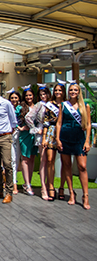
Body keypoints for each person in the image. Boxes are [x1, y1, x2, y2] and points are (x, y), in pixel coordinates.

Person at [56, 82, 91, 210]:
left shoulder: (84, 106)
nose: (73, 92)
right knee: (67, 166)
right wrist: (58, 139)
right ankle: (71, 192)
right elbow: (59, 123)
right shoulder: (63, 105)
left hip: (79, 139)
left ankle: (85, 195)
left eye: (75, 90)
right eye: (71, 90)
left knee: (82, 166)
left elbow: (88, 125)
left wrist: (87, 141)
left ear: (79, 92)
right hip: (65, 138)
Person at [26, 84, 51, 200]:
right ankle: (43, 188)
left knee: (50, 161)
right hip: (42, 134)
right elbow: (28, 117)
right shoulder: (39, 105)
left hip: (53, 132)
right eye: (40, 95)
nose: (43, 96)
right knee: (43, 160)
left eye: (44, 94)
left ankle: (50, 186)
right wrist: (35, 129)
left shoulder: (53, 104)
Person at [42, 81, 66, 200]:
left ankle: (62, 187)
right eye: (56, 90)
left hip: (64, 132)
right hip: (51, 132)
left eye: (60, 90)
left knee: (65, 162)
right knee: (50, 159)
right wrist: (44, 138)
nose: (58, 92)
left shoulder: (67, 104)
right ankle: (50, 186)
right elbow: (46, 121)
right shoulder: (49, 104)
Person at [19, 87, 38, 196]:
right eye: (26, 95)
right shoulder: (20, 107)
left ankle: (28, 183)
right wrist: (20, 127)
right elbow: (14, 119)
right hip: (25, 136)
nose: (28, 97)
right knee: (25, 158)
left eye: (30, 95)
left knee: (32, 158)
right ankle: (27, 183)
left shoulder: (37, 107)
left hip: (34, 135)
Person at [8, 90, 22, 195]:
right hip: (9, 134)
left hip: (21, 135)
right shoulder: (7, 108)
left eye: (15, 97)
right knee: (11, 159)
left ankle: (15, 181)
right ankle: (11, 182)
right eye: (12, 98)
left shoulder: (22, 109)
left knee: (17, 159)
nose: (14, 100)